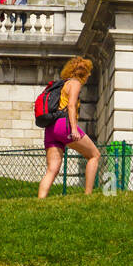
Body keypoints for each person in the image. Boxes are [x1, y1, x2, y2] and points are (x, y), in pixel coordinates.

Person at [37, 56, 101, 198]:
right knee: (94, 155)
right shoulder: (75, 83)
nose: (89, 75)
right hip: (63, 125)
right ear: (84, 72)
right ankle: (88, 196)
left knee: (52, 169)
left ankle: (40, 201)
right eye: (88, 72)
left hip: (50, 128)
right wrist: (73, 129)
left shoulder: (61, 85)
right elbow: (71, 105)